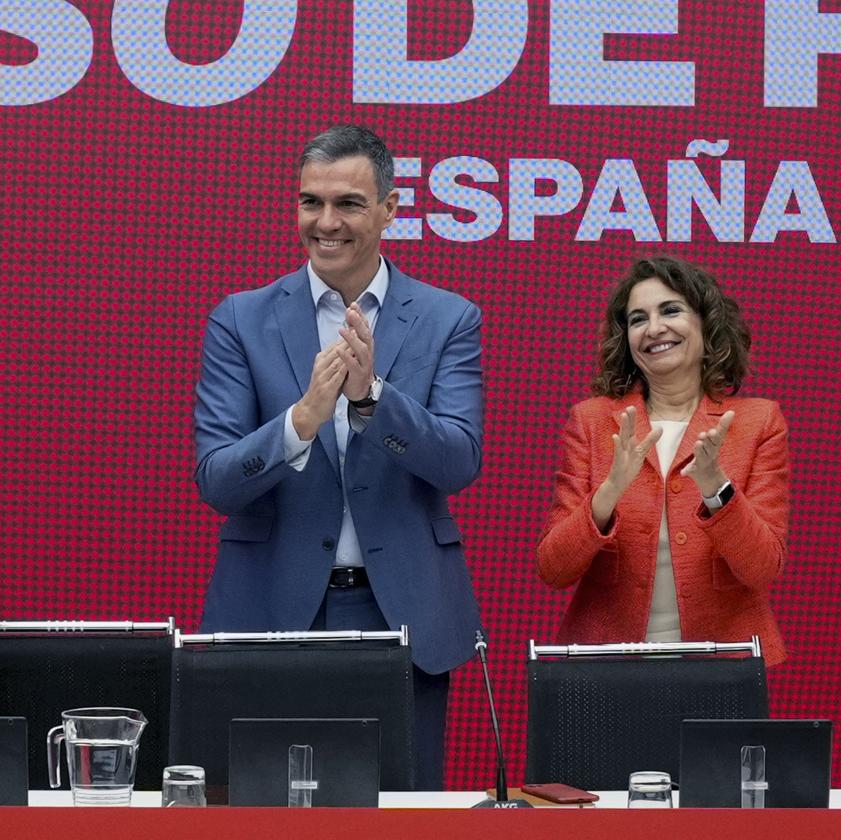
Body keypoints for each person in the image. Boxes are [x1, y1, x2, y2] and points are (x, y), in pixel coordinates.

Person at [193, 125, 483, 789]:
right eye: (310, 203)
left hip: (401, 612)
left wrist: (373, 399)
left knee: (403, 811)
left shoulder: (448, 318)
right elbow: (216, 479)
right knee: (263, 810)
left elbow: (459, 461)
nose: (326, 223)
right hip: (271, 605)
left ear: (391, 208)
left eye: (349, 203)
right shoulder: (240, 319)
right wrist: (301, 421)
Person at [536, 256, 788, 665]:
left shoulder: (757, 422)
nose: (654, 328)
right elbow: (554, 569)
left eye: (671, 310)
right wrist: (609, 493)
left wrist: (716, 488)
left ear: (707, 326)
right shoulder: (593, 420)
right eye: (638, 319)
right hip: (607, 667)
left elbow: (761, 569)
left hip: (724, 663)